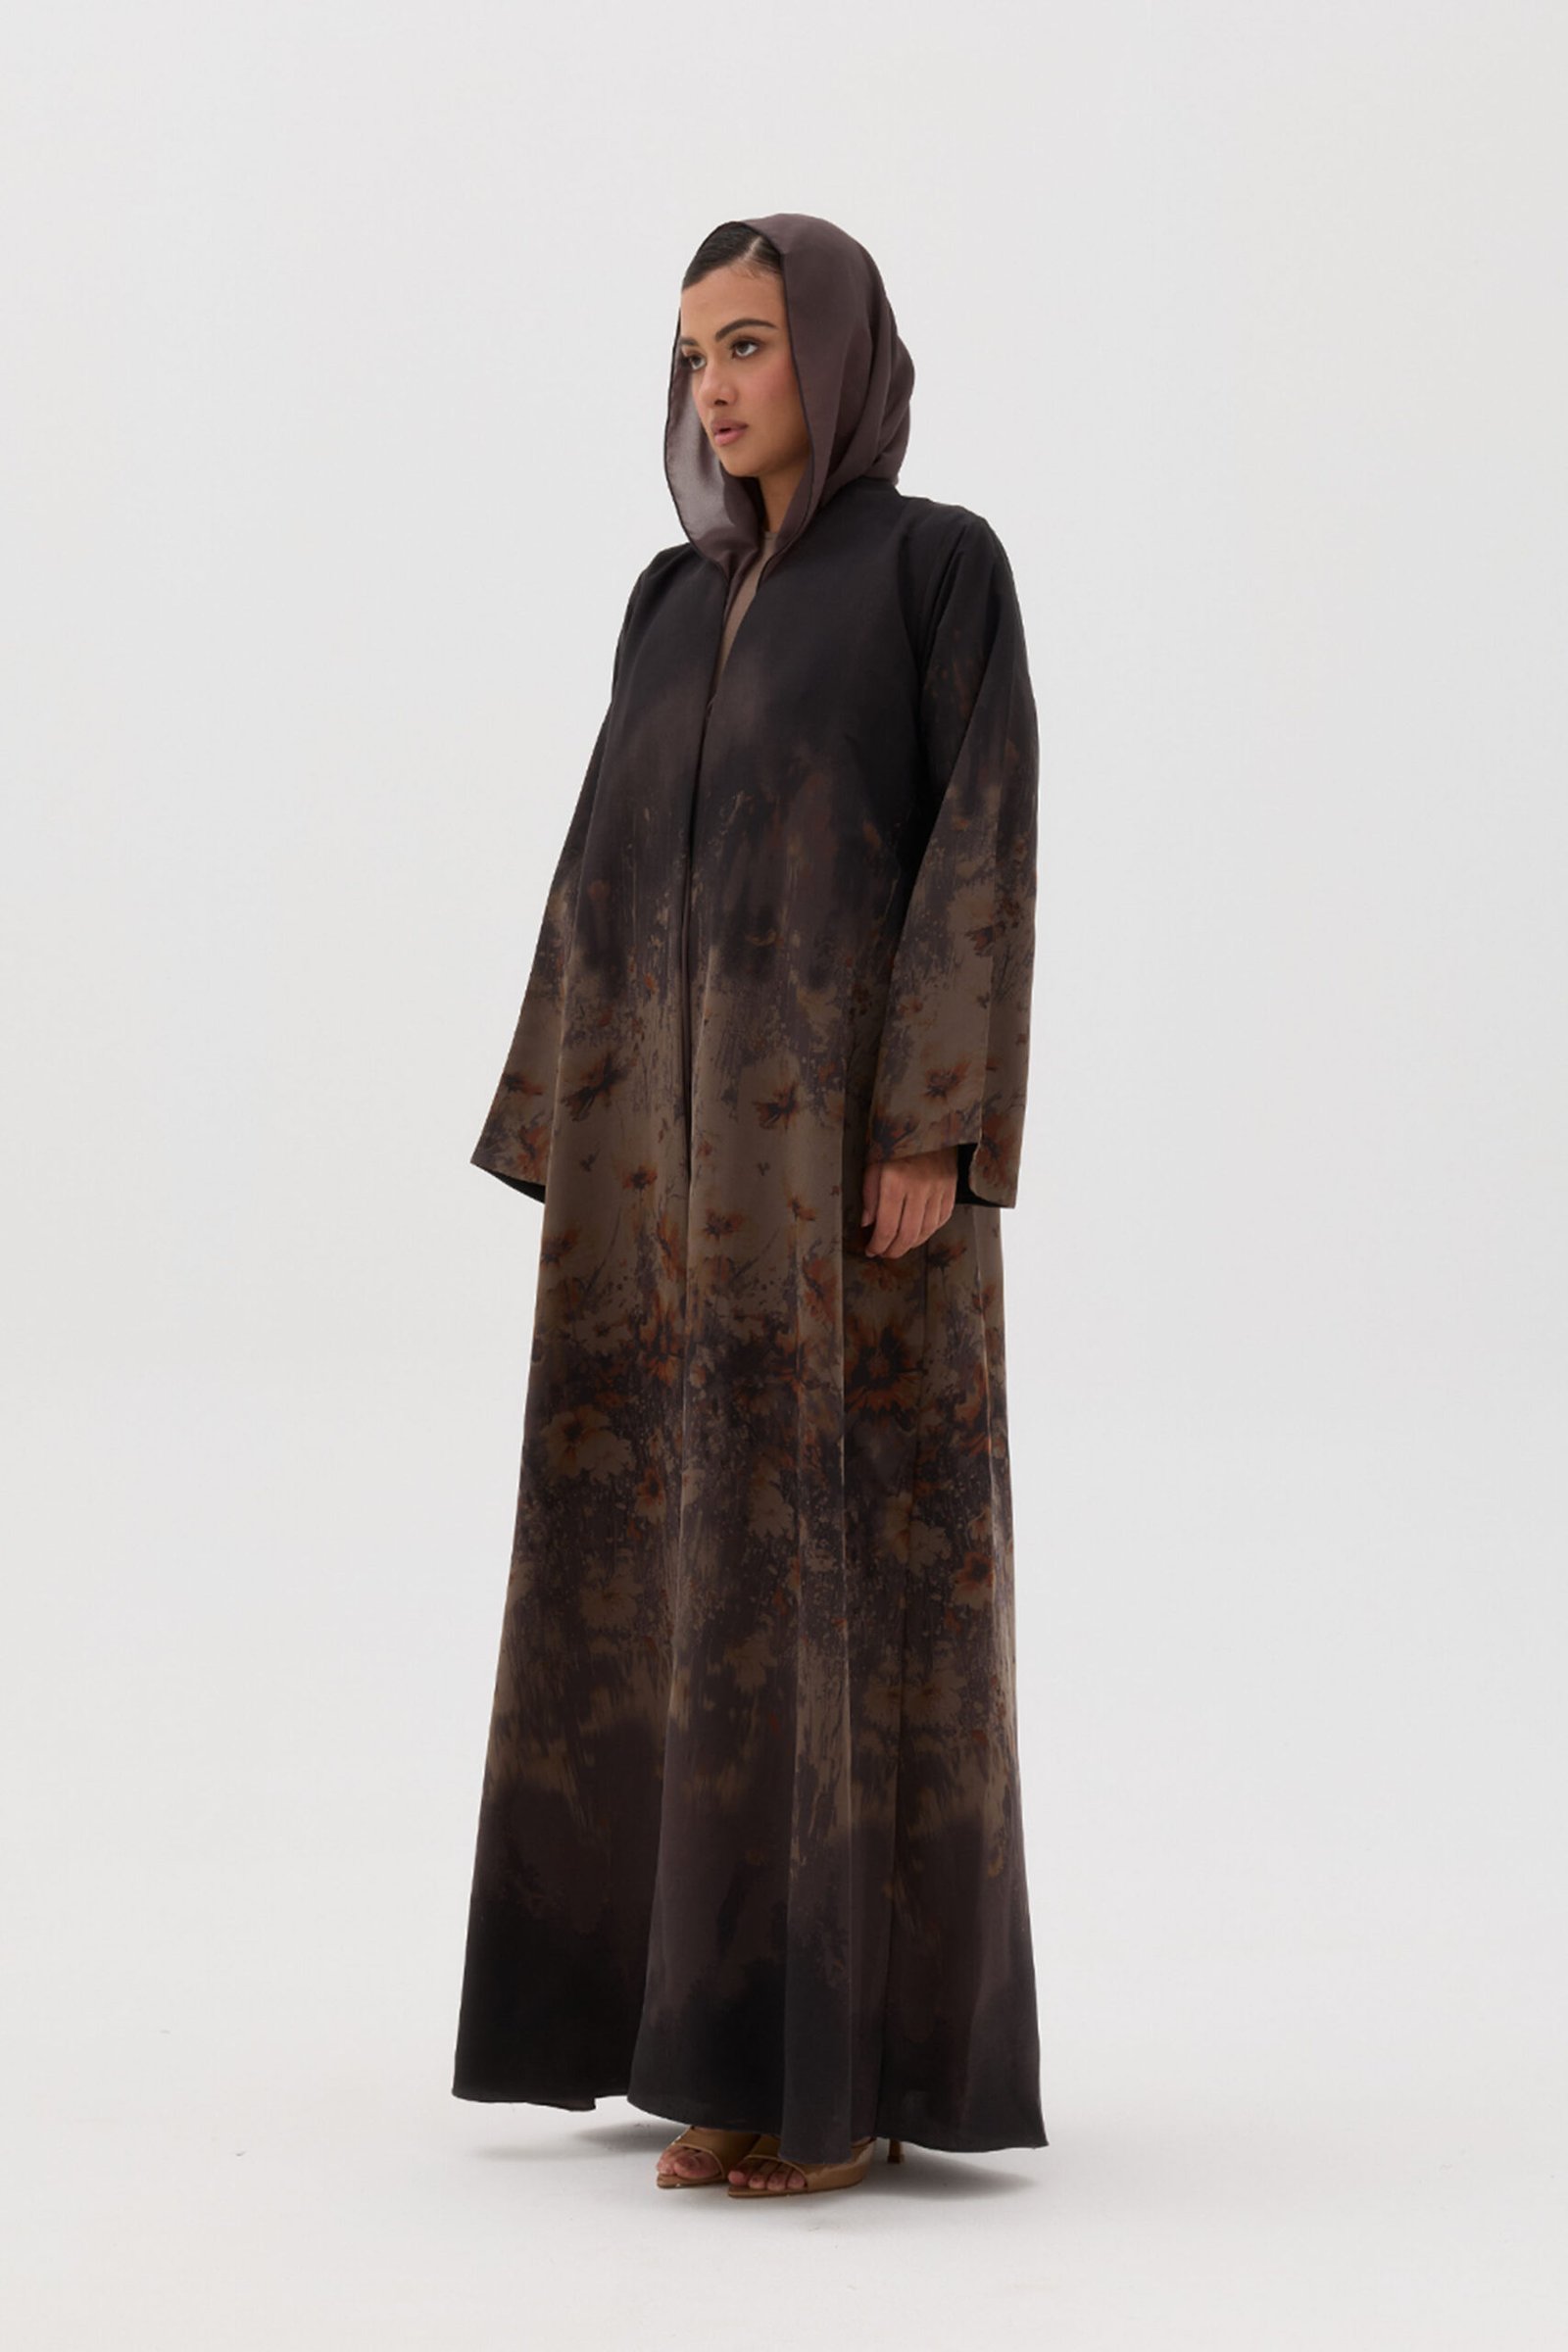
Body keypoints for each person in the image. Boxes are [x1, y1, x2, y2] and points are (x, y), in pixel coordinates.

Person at [452, 212, 1048, 2201]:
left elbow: (981, 846)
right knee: (668, 1592)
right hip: (666, 1199)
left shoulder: (936, 569)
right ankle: (703, 2042)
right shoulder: (664, 599)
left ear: (839, 359)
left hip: (843, 1195)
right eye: (693, 350)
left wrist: (931, 1130)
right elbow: (601, 869)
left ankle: (842, 2070)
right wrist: (571, 1124)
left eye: (751, 344)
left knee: (833, 1580)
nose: (713, 384)